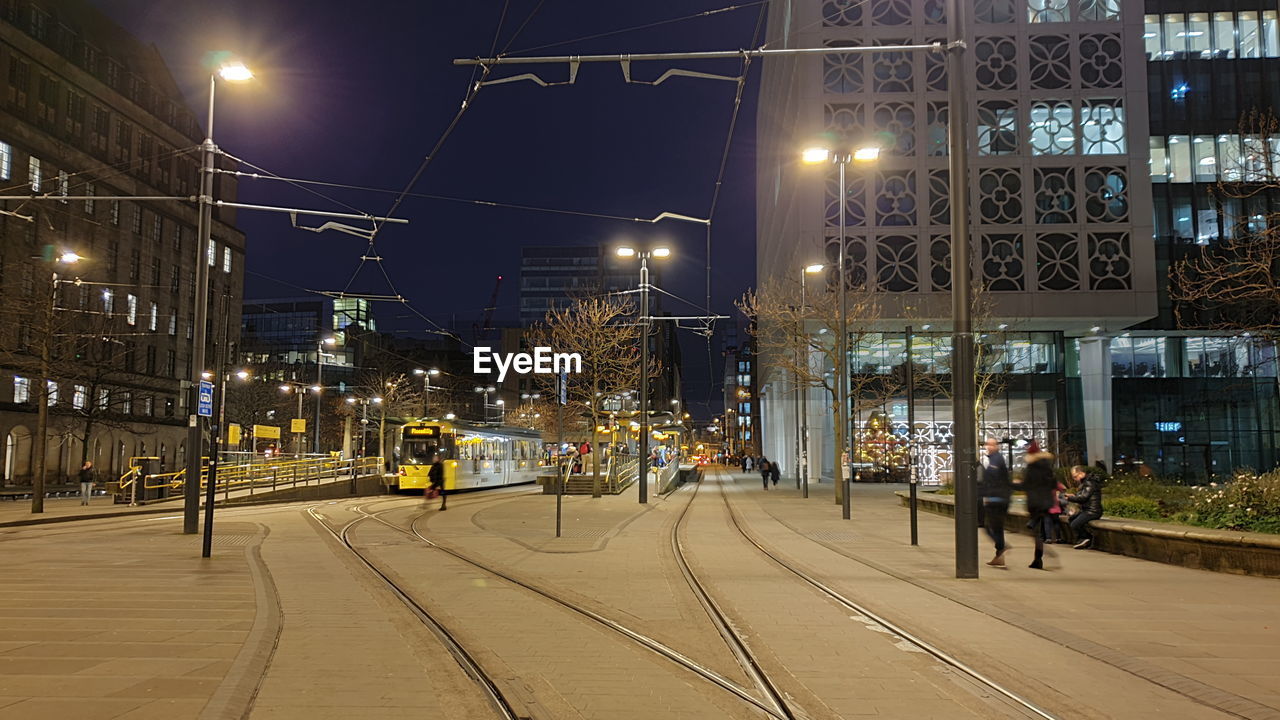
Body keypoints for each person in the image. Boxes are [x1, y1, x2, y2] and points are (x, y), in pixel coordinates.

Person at [1022, 440, 1057, 570]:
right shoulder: (1047, 467)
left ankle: (1039, 558)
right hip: (1046, 503)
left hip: (1035, 503)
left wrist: (1011, 484)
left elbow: (1026, 485)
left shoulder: (1032, 468)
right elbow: (1053, 484)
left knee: (1036, 533)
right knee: (1040, 531)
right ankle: (1038, 558)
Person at [979, 438, 1011, 566]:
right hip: (998, 498)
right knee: (997, 527)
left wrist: (986, 495)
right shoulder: (993, 459)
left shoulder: (996, 460)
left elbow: (994, 479)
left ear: (996, 446)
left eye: (992, 445)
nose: (989, 447)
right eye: (988, 444)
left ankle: (1001, 547)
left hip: (997, 499)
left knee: (988, 526)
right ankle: (999, 555)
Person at [1067, 465, 1104, 549]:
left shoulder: (1089, 482)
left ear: (1081, 473)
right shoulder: (1085, 482)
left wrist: (1070, 498)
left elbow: (1083, 498)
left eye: (1075, 476)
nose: (1074, 479)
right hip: (1087, 510)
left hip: (1092, 511)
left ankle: (1086, 538)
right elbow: (1082, 495)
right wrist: (1073, 495)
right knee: (1071, 519)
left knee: (1075, 524)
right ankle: (1081, 538)